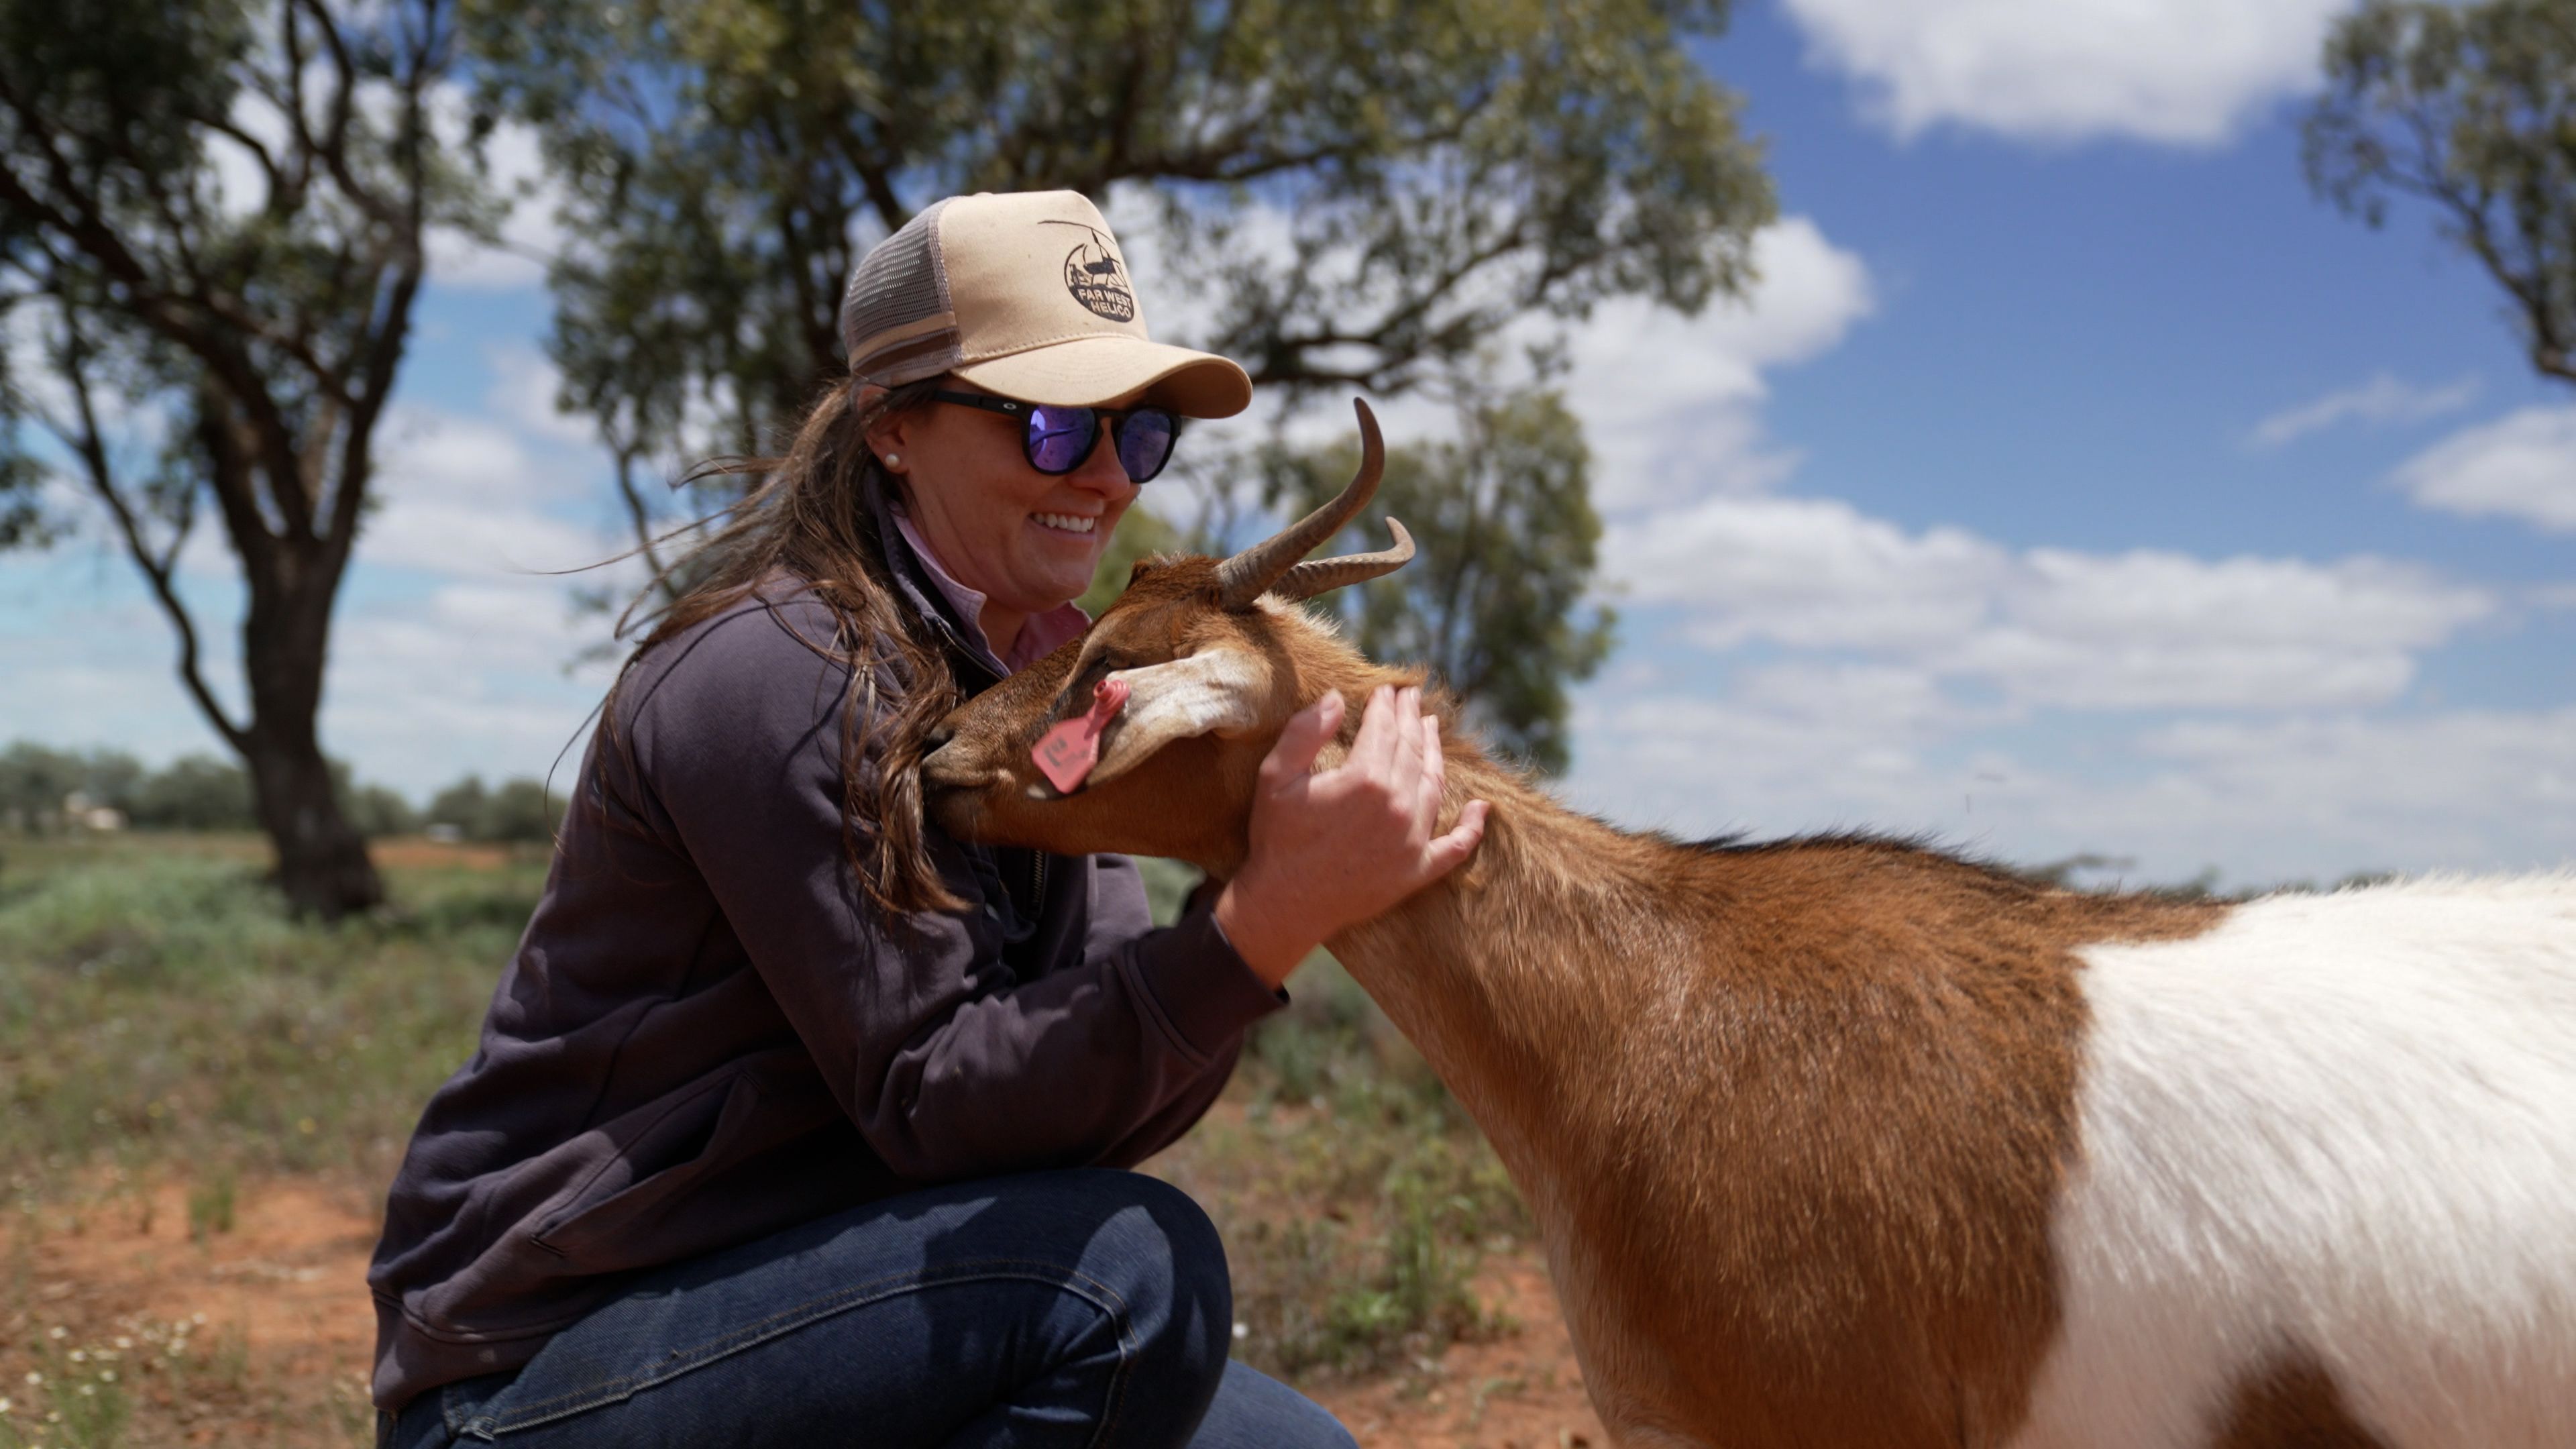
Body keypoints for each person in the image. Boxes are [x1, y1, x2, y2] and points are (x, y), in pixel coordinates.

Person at [368, 189, 1485, 1447]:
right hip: (542, 1371)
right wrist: (1263, 924)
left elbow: (1097, 1086)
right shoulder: (778, 675)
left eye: (1143, 429)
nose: (1111, 472)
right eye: (1057, 425)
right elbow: (938, 1104)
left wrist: (1243, 911)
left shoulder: (1051, 692)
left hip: (802, 1295)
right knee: (1123, 1280)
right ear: (894, 427)